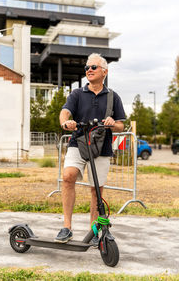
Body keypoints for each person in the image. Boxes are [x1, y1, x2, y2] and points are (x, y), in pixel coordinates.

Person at [54, 53, 126, 246]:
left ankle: (94, 231)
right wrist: (66, 122)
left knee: (96, 190)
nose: (89, 70)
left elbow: (121, 126)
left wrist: (113, 124)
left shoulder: (113, 97)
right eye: (87, 68)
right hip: (78, 142)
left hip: (101, 147)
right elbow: (65, 112)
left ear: (104, 71)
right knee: (68, 176)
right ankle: (66, 227)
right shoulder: (77, 94)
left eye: (93, 67)